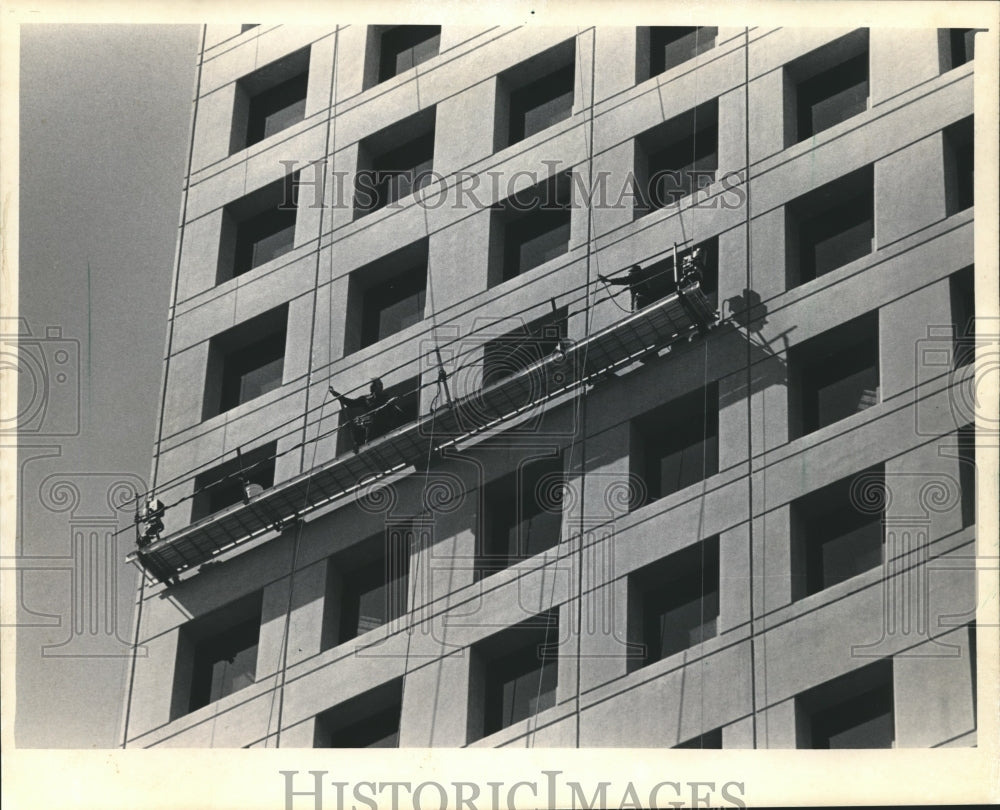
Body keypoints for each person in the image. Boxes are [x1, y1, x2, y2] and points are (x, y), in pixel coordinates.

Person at [329, 377, 405, 452]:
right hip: (373, 429)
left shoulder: (385, 397)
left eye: (381, 383)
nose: (381, 386)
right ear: (374, 387)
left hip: (385, 427)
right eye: (379, 384)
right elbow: (350, 403)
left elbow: (393, 410)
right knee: (365, 432)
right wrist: (335, 393)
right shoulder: (365, 399)